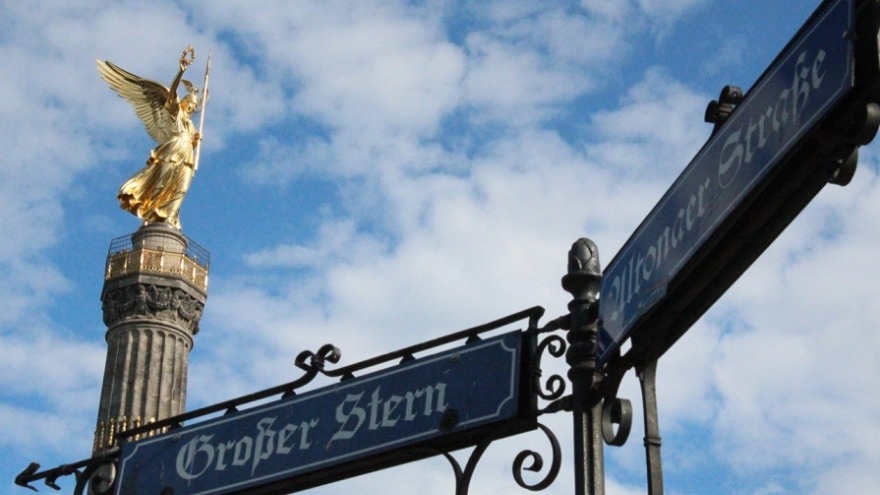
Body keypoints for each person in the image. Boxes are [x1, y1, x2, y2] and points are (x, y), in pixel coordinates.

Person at [97, 46, 203, 229]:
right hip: (172, 151)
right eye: (190, 104)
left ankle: (168, 218)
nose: (191, 108)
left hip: (186, 157)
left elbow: (192, 138)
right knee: (161, 185)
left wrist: (195, 140)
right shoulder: (174, 113)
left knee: (181, 188)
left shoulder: (191, 126)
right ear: (183, 102)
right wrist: (181, 71)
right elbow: (171, 94)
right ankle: (152, 214)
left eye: (194, 107)